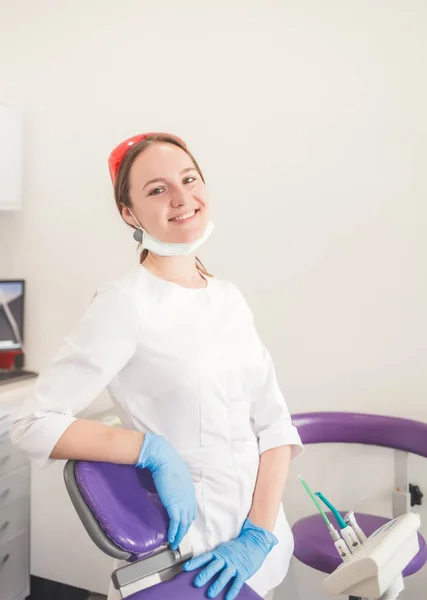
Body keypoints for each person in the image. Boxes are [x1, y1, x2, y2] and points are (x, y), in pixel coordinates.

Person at [11, 133, 303, 600]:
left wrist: (258, 536)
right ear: (129, 213)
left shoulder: (228, 297)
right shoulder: (125, 303)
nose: (182, 198)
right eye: (157, 189)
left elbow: (275, 426)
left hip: (257, 549)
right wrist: (151, 449)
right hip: (182, 559)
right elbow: (30, 424)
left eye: (189, 179)